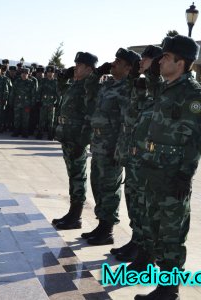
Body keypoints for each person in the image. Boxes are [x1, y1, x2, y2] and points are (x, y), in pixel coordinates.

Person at [134, 35, 201, 300]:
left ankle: (169, 291)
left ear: (181, 62)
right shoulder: (167, 88)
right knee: (155, 230)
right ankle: (162, 287)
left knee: (171, 236)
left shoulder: (192, 94)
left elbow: (197, 139)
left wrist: (184, 175)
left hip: (172, 175)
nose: (161, 60)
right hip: (154, 172)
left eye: (166, 57)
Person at [82, 48, 139, 245]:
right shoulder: (108, 84)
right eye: (114, 59)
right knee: (97, 183)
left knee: (109, 187)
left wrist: (120, 148)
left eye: (119, 61)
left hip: (112, 146)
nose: (113, 63)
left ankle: (107, 230)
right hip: (99, 143)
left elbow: (127, 122)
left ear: (129, 68)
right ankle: (101, 224)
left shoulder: (127, 88)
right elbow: (87, 90)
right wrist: (97, 73)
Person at [51, 52, 100, 230]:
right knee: (73, 176)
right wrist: (62, 79)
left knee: (78, 176)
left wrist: (83, 141)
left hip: (77, 139)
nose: (76, 67)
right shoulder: (75, 84)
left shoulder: (89, 88)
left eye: (79, 65)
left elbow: (90, 117)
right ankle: (72, 212)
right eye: (75, 64)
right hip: (68, 136)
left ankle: (76, 216)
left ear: (89, 69)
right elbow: (61, 92)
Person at [10, 68, 37, 138]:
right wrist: (11, 102)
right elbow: (13, 93)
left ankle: (24, 132)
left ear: (28, 74)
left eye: (26, 74)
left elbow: (33, 94)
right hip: (17, 103)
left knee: (25, 119)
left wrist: (33, 104)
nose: (24, 75)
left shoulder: (31, 83)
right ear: (21, 74)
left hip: (27, 104)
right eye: (23, 73)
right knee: (17, 118)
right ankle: (16, 131)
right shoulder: (17, 82)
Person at [36, 65, 59, 140]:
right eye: (48, 72)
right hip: (43, 102)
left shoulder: (56, 82)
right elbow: (39, 91)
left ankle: (50, 135)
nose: (49, 73)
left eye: (51, 72)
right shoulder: (43, 81)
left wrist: (57, 102)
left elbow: (58, 93)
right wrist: (38, 101)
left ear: (53, 73)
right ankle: (40, 134)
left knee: (51, 121)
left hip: (52, 104)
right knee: (41, 119)